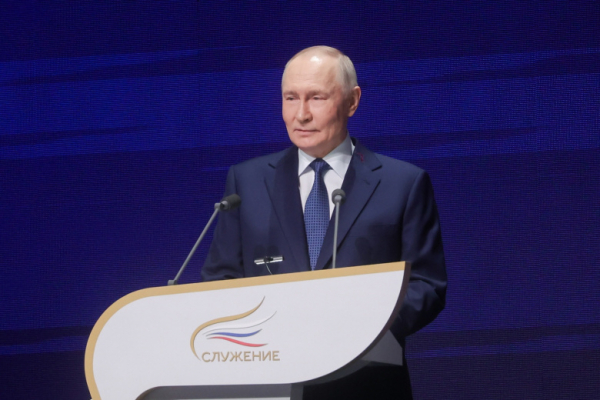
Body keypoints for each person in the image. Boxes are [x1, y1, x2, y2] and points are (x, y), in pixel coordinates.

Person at [202, 46, 447, 400]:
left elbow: (427, 285)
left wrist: (360, 331)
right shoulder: (246, 182)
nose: (301, 114)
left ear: (352, 101)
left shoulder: (403, 184)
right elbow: (219, 280)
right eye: (291, 98)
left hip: (365, 385)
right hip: (270, 382)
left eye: (316, 97)